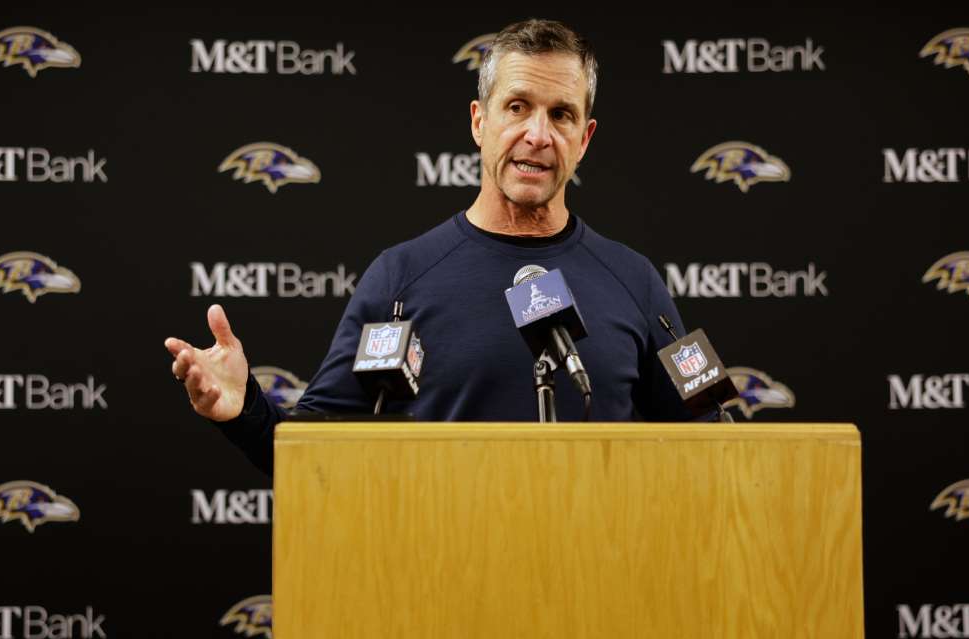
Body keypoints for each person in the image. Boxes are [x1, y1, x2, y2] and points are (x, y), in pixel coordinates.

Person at [165, 18, 698, 475]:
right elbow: (315, 456)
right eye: (517, 107)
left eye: (561, 114)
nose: (538, 134)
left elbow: (710, 448)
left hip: (599, 562)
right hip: (442, 561)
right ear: (479, 122)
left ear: (584, 139)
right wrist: (244, 409)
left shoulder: (634, 281)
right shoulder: (401, 277)